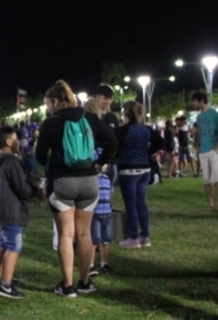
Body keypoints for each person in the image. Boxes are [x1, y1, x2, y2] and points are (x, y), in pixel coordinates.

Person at [35, 80, 118, 297]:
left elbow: (40, 155)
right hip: (89, 181)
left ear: (55, 101)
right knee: (84, 233)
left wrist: (52, 165)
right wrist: (101, 163)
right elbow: (112, 142)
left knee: (66, 234)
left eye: (47, 104)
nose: (48, 109)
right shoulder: (89, 118)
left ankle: (67, 286)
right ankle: (85, 282)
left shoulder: (51, 123)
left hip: (62, 182)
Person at [0, 126, 33, 300]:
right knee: (14, 246)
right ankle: (6, 285)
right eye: (16, 139)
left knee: (4, 244)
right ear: (9, 142)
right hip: (11, 210)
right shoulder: (12, 162)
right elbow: (22, 188)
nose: (19, 142)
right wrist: (35, 190)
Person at [115, 101, 164, 249]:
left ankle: (133, 237)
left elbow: (114, 147)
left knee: (131, 204)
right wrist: (147, 152)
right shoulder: (146, 129)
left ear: (126, 114)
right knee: (141, 203)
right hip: (144, 168)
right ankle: (145, 236)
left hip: (128, 169)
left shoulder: (122, 131)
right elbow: (160, 142)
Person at [83, 99, 115, 276]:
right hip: (96, 208)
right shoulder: (102, 148)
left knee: (104, 239)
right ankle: (91, 265)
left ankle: (103, 263)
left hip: (104, 208)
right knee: (94, 238)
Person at [192, 91, 218, 210]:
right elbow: (199, 132)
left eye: (195, 101)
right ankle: (210, 202)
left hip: (215, 151)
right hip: (203, 151)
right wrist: (198, 147)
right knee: (206, 179)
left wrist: (216, 147)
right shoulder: (199, 117)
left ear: (201, 100)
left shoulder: (216, 114)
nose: (193, 104)